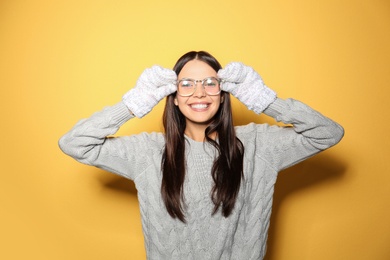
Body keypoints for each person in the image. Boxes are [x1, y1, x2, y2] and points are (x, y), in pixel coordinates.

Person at [59, 51, 344, 260]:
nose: (199, 93)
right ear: (172, 95)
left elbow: (328, 133)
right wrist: (133, 104)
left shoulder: (259, 144)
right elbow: (75, 143)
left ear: (224, 93)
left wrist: (266, 100)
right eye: (187, 84)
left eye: (210, 83)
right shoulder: (146, 152)